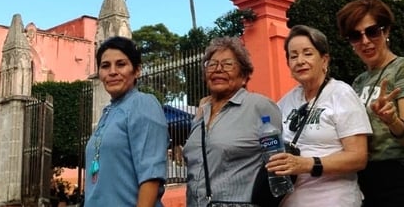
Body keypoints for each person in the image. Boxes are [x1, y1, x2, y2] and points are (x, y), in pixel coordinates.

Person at [336, 0, 404, 206]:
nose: (365, 41)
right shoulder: (358, 82)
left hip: (401, 178)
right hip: (366, 179)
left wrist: (392, 121)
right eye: (355, 36)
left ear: (386, 31)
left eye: (372, 31)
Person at [267, 25, 371, 207]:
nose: (300, 61)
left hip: (334, 200)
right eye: (293, 56)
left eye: (307, 53)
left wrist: (306, 164)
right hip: (290, 201)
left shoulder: (341, 94)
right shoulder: (285, 101)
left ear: (324, 60)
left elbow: (358, 157)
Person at [183, 37, 282, 207]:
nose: (218, 70)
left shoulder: (260, 107)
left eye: (228, 64)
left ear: (244, 75)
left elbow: (278, 168)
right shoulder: (201, 112)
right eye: (212, 64)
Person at [83, 36, 168, 207]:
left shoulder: (143, 104)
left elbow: (151, 175)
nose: (112, 71)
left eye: (121, 64)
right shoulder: (108, 113)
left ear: (137, 70)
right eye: (105, 66)